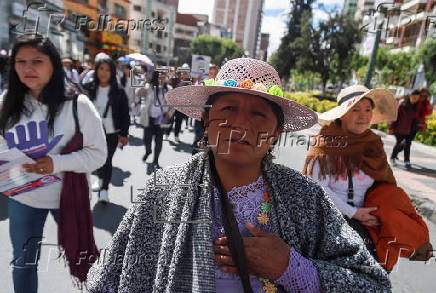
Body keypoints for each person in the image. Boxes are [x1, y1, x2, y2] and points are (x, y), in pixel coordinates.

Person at [87, 59, 391, 292]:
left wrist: (291, 267)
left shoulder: (306, 197)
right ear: (206, 121)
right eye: (229, 108)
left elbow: (373, 283)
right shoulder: (162, 190)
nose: (240, 125)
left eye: (259, 114)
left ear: (276, 134)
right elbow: (107, 279)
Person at [0, 34, 107, 293]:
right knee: (23, 264)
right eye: (21, 61)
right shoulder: (6, 103)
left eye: (37, 61)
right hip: (22, 199)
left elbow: (98, 154)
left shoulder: (77, 105)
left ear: (53, 65)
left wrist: (56, 163)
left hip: (68, 199)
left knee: (85, 259)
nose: (28, 68)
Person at [303, 85, 398, 263]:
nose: (363, 115)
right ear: (343, 114)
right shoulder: (325, 144)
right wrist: (354, 213)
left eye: (368, 109)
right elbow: (318, 190)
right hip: (329, 224)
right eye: (356, 109)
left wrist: (382, 213)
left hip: (367, 226)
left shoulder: (373, 144)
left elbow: (384, 185)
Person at [83, 55, 130, 203]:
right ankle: (101, 179)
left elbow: (125, 114)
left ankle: (104, 190)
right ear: (96, 70)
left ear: (112, 72)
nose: (104, 72)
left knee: (107, 159)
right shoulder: (89, 88)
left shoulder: (119, 91)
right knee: (97, 160)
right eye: (101, 69)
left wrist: (124, 134)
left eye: (107, 70)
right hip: (92, 132)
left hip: (111, 132)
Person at [137, 71, 172, 168]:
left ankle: (155, 160)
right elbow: (138, 94)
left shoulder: (168, 89)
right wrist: (143, 82)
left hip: (160, 120)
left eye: (163, 77)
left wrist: (169, 114)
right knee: (146, 139)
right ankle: (148, 151)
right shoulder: (149, 87)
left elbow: (173, 105)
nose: (161, 79)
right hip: (149, 118)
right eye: (159, 77)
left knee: (158, 141)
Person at [388, 91, 420, 168]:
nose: (415, 99)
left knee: (406, 144)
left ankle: (404, 159)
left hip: (408, 129)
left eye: (417, 98)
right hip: (398, 127)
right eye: (414, 97)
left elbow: (413, 118)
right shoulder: (402, 104)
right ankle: (393, 158)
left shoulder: (415, 106)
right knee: (400, 142)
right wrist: (391, 127)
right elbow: (395, 115)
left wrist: (418, 123)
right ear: (410, 96)